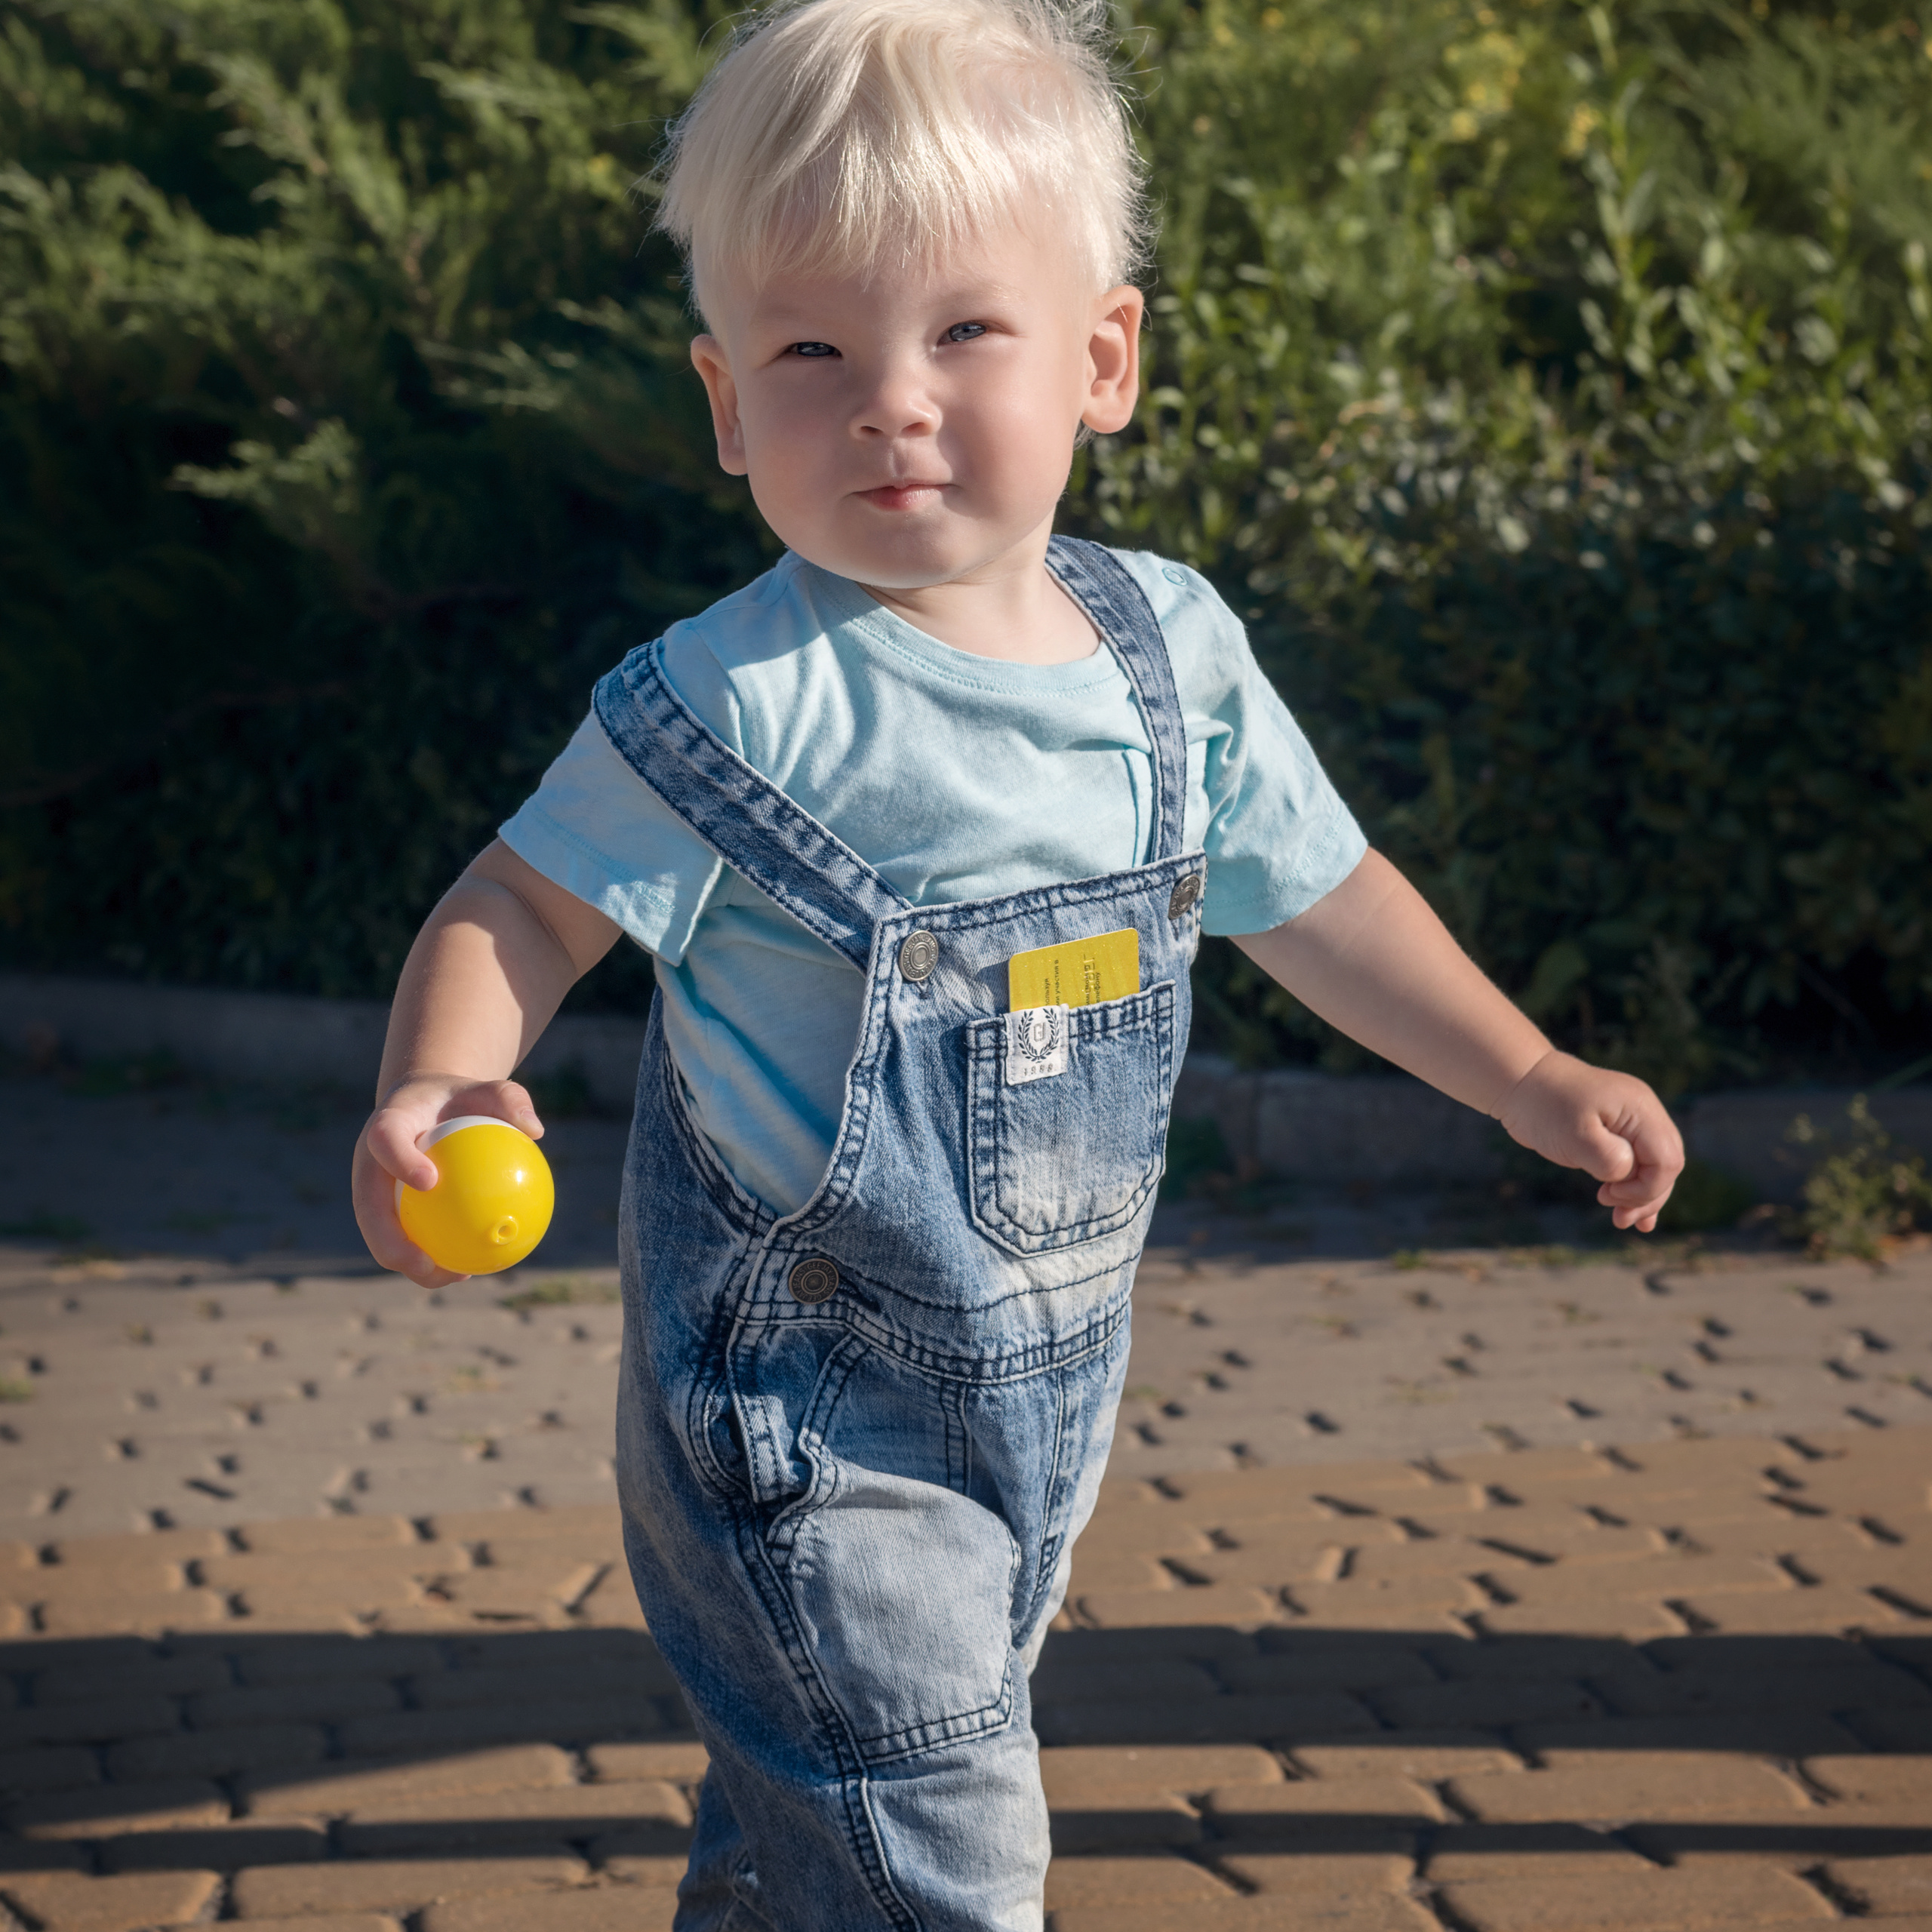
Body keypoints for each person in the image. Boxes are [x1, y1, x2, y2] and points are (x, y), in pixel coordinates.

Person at [351, 0, 1684, 1921]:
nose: (889, 395)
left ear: (1102, 359)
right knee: (944, 1855)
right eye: (813, 349)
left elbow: (1320, 895)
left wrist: (1525, 1073)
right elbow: (520, 906)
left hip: (1035, 1405)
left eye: (963, 329)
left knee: (813, 1856)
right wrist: (443, 1075)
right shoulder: (745, 696)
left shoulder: (1172, 657)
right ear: (728, 408)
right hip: (801, 1433)